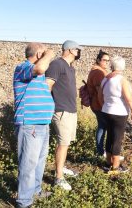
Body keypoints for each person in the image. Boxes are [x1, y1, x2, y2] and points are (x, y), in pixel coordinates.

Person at [13, 42, 55, 208]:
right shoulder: (23, 67)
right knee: (28, 164)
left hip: (42, 124)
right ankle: (24, 202)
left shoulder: (38, 73)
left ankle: (35, 191)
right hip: (29, 124)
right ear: (38, 54)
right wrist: (49, 54)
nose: (47, 57)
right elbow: (39, 68)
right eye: (43, 53)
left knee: (39, 162)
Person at [45, 40, 82, 190]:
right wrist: (47, 108)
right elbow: (47, 85)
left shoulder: (70, 67)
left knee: (66, 143)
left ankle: (61, 167)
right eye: (77, 49)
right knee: (63, 143)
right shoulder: (57, 64)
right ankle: (58, 177)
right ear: (69, 50)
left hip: (70, 110)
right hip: (61, 110)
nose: (79, 52)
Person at [101, 56, 132, 174]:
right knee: (117, 139)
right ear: (122, 67)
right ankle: (115, 168)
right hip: (119, 113)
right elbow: (129, 98)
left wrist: (106, 105)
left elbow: (99, 96)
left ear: (112, 66)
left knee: (110, 137)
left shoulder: (105, 79)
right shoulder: (122, 80)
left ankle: (108, 163)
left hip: (106, 111)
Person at [86, 50, 110, 157]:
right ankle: (100, 151)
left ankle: (100, 150)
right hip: (99, 104)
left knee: (102, 126)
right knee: (102, 126)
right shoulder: (98, 73)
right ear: (98, 60)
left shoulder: (98, 71)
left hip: (98, 104)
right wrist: (105, 106)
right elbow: (100, 92)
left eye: (108, 61)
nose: (106, 63)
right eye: (104, 60)